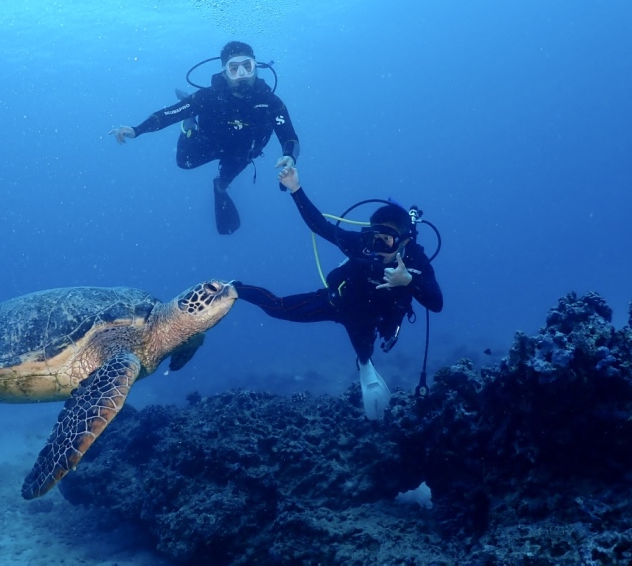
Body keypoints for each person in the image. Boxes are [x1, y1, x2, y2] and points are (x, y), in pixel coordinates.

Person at [233, 166, 443, 420]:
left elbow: (436, 303)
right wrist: (295, 189)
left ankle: (364, 362)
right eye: (373, 237)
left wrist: (408, 280)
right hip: (341, 303)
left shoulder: (415, 260)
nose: (376, 246)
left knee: (366, 350)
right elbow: (320, 226)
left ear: (404, 241)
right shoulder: (361, 245)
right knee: (277, 308)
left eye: (386, 240)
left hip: (379, 317)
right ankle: (234, 289)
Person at [109, 41, 300, 235]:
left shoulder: (270, 102)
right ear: (224, 73)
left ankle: (219, 187)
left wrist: (290, 156)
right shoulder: (209, 97)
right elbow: (170, 114)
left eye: (247, 66)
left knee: (222, 184)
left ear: (256, 68)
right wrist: (137, 129)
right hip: (209, 143)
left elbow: (289, 137)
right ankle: (190, 124)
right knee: (183, 162)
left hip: (242, 154)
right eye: (234, 69)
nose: (242, 74)